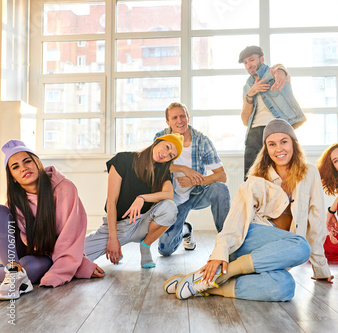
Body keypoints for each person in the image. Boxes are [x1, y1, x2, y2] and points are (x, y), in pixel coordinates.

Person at [163, 118, 333, 301]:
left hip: (272, 254)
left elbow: (315, 221)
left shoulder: (310, 173)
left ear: (294, 144)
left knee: (285, 287)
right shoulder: (257, 179)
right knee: (301, 246)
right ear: (266, 149)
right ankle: (224, 271)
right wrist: (219, 254)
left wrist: (321, 269)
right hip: (247, 241)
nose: (279, 149)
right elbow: (237, 217)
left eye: (284, 141)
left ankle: (206, 285)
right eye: (272, 144)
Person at [0, 140, 104, 301]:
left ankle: (13, 275)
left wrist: (80, 264)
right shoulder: (15, 201)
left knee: (30, 268)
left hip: (44, 256)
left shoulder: (65, 189)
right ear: (12, 177)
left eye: (27, 161)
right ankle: (13, 274)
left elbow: (70, 236)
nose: (24, 168)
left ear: (38, 163)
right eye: (16, 167)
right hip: (20, 254)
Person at [84, 134, 183, 269]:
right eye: (167, 147)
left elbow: (169, 194)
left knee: (170, 208)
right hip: (117, 226)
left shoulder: (161, 172)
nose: (166, 154)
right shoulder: (123, 159)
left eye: (171, 155)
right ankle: (117, 246)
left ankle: (146, 245)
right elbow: (112, 202)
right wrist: (113, 239)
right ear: (158, 142)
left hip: (143, 223)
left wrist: (142, 198)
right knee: (72, 256)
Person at [154, 102, 230, 255]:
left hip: (197, 194)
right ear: (168, 122)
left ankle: (227, 242)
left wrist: (195, 180)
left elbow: (221, 176)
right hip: (173, 200)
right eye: (174, 117)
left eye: (182, 116)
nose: (179, 121)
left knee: (220, 189)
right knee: (165, 250)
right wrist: (184, 169)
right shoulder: (160, 138)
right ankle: (185, 229)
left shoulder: (202, 141)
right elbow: (153, 166)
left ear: (188, 118)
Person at [239, 45, 306, 179]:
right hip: (254, 133)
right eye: (245, 63)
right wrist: (250, 94)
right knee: (251, 179)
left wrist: (281, 71)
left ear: (262, 59)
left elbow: (281, 69)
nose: (248, 65)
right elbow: (245, 121)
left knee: (281, 176)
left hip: (277, 130)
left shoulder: (275, 73)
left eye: (251, 60)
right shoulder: (247, 87)